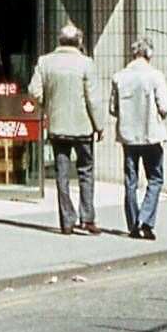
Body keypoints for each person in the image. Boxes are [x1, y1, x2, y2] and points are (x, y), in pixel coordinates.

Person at [28, 24, 106, 236]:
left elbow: (33, 90)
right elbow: (94, 99)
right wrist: (99, 125)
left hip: (57, 126)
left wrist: (49, 104)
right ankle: (87, 218)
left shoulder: (45, 62)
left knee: (61, 174)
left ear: (59, 40)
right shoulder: (86, 63)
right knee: (86, 172)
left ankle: (67, 221)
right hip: (83, 127)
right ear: (79, 41)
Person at [111, 38, 167, 240]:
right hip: (151, 135)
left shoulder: (119, 77)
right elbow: (165, 106)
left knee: (131, 181)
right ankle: (145, 220)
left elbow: (113, 109)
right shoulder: (155, 76)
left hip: (128, 137)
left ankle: (132, 224)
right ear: (149, 54)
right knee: (155, 178)